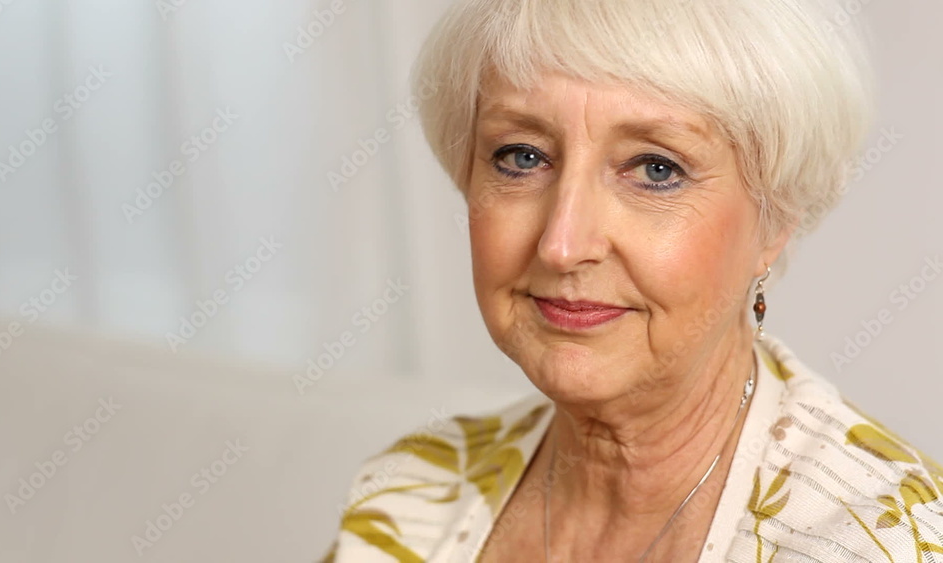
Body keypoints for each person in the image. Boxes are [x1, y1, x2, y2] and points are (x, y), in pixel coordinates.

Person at [324, 0, 943, 560]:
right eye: (522, 156)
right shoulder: (408, 497)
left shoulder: (886, 540)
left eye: (655, 168)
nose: (561, 245)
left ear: (774, 222)